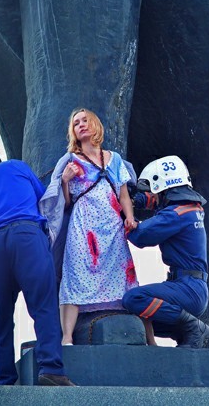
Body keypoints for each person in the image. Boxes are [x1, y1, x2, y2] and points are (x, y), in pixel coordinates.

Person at [0, 149, 74, 386]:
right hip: (27, 235)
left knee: (1, 318)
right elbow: (43, 200)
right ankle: (50, 370)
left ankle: (3, 383)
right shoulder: (17, 167)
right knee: (43, 306)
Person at [39, 108, 139, 346]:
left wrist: (130, 217)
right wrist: (64, 180)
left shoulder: (113, 159)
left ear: (95, 126)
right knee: (75, 275)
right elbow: (66, 201)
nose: (81, 125)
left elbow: (123, 194)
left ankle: (147, 336)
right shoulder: (70, 160)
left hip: (111, 225)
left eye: (85, 121)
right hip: (83, 226)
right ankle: (67, 337)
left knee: (123, 274)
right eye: (76, 123)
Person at [123, 156, 209, 348]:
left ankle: (192, 327)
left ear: (160, 184)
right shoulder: (189, 209)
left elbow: (141, 236)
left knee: (134, 299)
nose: (149, 197)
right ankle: (185, 331)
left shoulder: (177, 214)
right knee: (140, 319)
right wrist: (141, 200)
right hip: (190, 286)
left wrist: (125, 211)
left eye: (151, 191)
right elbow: (159, 211)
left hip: (187, 288)